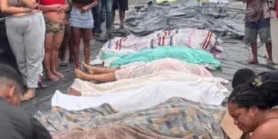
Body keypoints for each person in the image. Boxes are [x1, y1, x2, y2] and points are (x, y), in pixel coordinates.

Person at [0, 0, 42, 101]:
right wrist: (24, 10)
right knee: (20, 57)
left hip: (31, 22)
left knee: (33, 56)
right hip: (13, 23)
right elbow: (4, 8)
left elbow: (31, 3)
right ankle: (26, 82)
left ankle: (32, 87)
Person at [240, 0, 274, 66]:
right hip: (250, 13)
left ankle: (270, 58)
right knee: (251, 37)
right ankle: (254, 57)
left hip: (263, 12)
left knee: (266, 36)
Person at [74, 58, 213, 83]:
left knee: (125, 73)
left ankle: (91, 76)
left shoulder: (192, 76)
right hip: (161, 65)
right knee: (128, 69)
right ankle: (95, 71)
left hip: (162, 67)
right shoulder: (192, 71)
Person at [38, 0, 68, 81]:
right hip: (48, 24)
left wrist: (64, 7)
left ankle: (54, 69)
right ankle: (48, 72)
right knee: (48, 49)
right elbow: (36, 6)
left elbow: (66, 4)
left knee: (56, 48)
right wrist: (52, 7)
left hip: (60, 24)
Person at [69, 0, 97, 69]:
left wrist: (88, 7)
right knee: (76, 41)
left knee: (87, 41)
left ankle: (87, 64)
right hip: (76, 14)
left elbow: (95, 2)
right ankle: (77, 65)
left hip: (87, 15)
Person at [56, 0, 77, 66]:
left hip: (76, 6)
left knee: (74, 33)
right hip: (65, 7)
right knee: (66, 33)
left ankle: (72, 56)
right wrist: (66, 2)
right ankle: (63, 55)